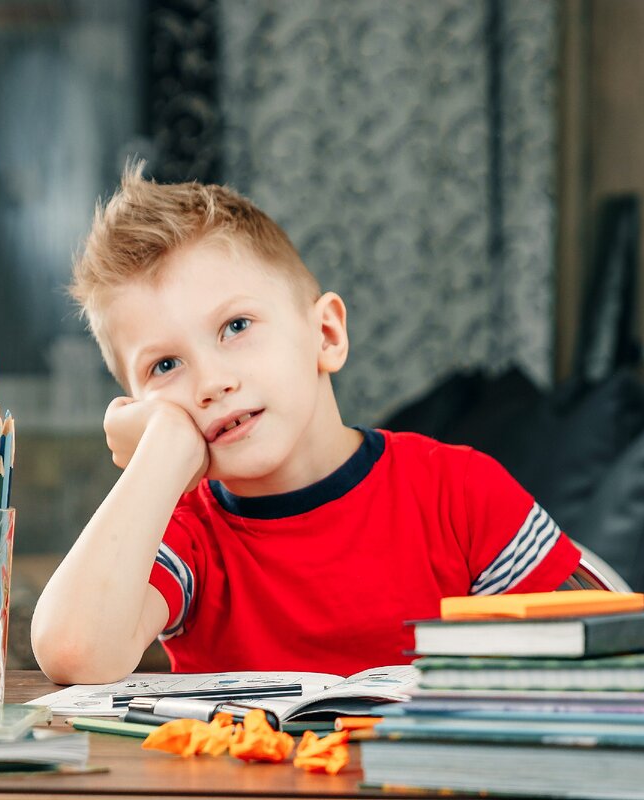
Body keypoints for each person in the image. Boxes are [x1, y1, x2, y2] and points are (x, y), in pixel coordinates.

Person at [31, 164, 581, 684]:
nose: (210, 383)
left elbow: (598, 667)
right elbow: (74, 651)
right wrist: (165, 447)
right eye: (165, 366)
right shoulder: (189, 536)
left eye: (235, 326)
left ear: (326, 335)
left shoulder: (460, 494)